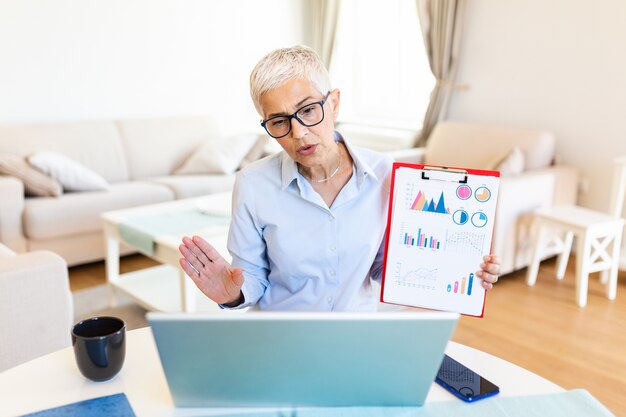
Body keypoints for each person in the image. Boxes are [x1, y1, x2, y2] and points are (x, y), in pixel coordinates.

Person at [179, 45, 500, 311]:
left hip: (357, 338)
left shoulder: (385, 173)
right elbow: (250, 278)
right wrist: (231, 293)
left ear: (333, 102)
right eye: (278, 121)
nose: (298, 133)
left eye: (307, 111)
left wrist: (459, 270)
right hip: (282, 340)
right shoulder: (252, 184)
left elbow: (384, 266)